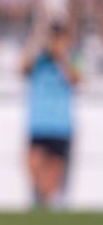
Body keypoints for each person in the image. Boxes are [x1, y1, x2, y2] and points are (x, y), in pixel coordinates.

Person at [21, 21, 80, 209]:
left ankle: (49, 204)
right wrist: (38, 40)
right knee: (33, 164)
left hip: (60, 125)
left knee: (54, 175)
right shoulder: (39, 58)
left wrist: (62, 55)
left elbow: (76, 78)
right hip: (38, 123)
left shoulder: (73, 56)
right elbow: (22, 67)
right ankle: (46, 202)